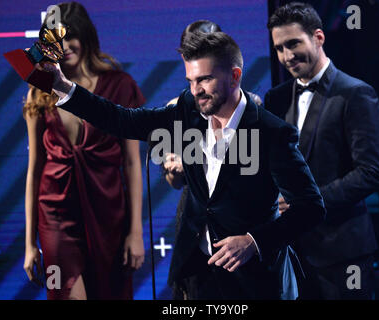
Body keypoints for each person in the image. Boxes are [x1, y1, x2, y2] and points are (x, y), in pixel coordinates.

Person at [44, 30, 326, 300]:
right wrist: (62, 86)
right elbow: (123, 120)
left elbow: (311, 207)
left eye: (204, 79)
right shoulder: (188, 109)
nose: (196, 90)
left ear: (234, 76)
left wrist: (253, 242)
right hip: (196, 272)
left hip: (253, 280)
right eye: (190, 80)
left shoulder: (272, 133)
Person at [265, 2, 379, 299]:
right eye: (280, 48)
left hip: (343, 254)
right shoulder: (276, 100)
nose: (287, 56)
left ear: (318, 37)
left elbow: (371, 172)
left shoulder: (356, 93)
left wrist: (309, 202)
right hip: (292, 253)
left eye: (293, 43)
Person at [23, 2, 145, 300]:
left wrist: (136, 232)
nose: (65, 46)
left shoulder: (120, 85)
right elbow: (35, 168)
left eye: (71, 37)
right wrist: (29, 244)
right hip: (56, 216)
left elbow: (131, 164)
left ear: (86, 36)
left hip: (109, 215)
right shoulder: (39, 88)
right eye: (57, 40)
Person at [162, 20, 264, 299]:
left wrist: (194, 160)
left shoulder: (250, 104)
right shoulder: (175, 109)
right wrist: (174, 164)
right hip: (195, 222)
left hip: (238, 222)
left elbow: (249, 166)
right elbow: (173, 180)